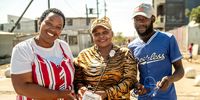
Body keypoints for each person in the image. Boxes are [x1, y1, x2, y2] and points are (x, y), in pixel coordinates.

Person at [10, 8, 75, 100]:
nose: (53, 29)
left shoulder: (63, 46)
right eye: (49, 23)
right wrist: (58, 94)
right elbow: (21, 87)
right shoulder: (23, 49)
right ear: (39, 23)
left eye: (58, 27)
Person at [74, 16, 140, 100]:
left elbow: (130, 81)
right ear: (92, 37)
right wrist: (81, 89)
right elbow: (77, 81)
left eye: (105, 32)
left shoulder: (125, 53)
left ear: (112, 34)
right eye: (96, 34)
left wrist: (106, 93)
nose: (101, 36)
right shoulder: (83, 55)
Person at [128, 3, 185, 100]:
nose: (140, 23)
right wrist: (137, 86)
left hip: (167, 97)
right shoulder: (132, 47)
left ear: (153, 19)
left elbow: (180, 70)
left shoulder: (168, 39)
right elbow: (131, 76)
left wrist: (169, 79)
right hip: (143, 97)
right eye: (137, 19)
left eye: (144, 19)